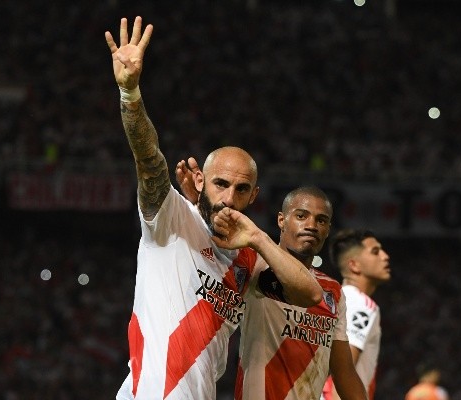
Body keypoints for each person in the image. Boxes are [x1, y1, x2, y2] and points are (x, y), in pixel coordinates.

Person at [105, 17, 324, 399]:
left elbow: (310, 294)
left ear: (253, 197)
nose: (229, 198)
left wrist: (257, 238)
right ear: (202, 182)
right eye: (221, 184)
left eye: (242, 190)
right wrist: (130, 94)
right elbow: (149, 159)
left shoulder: (250, 257)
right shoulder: (172, 218)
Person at [177, 162, 367, 399]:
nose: (311, 225)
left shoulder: (333, 291)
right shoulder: (254, 264)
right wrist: (199, 203)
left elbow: (344, 372)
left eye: (321, 220)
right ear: (281, 220)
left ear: (328, 229)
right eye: (301, 216)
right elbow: (213, 237)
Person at [322, 229, 391, 400]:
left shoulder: (335, 300)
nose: (385, 256)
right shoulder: (361, 305)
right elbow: (343, 374)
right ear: (354, 265)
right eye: (375, 252)